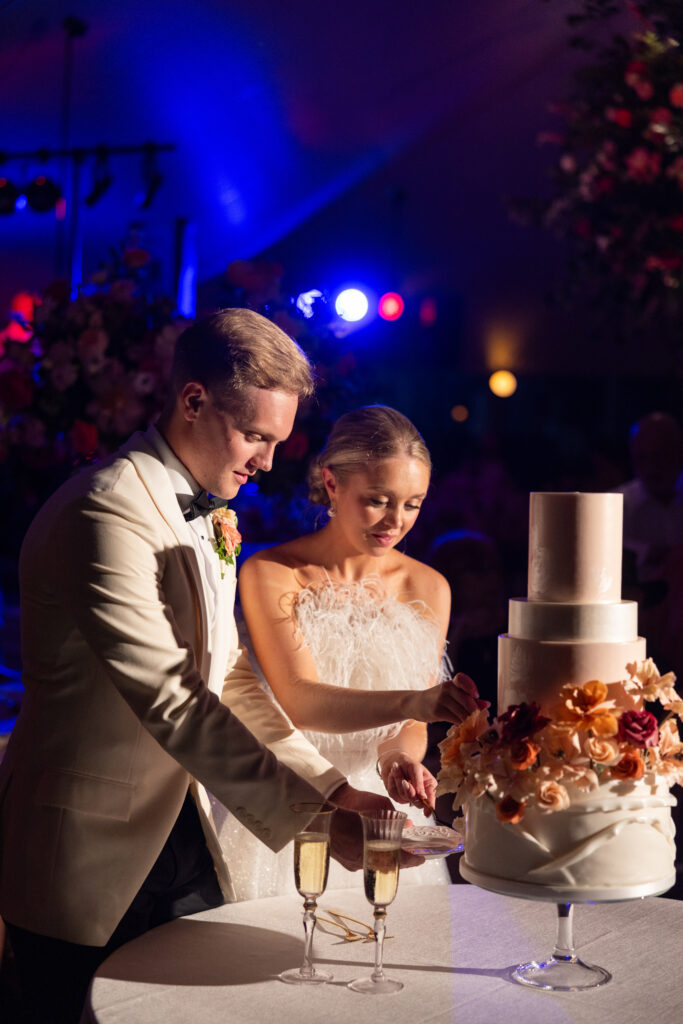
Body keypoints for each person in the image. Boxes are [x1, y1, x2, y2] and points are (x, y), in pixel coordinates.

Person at [0, 311, 475, 1024]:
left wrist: (333, 790)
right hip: (88, 857)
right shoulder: (105, 510)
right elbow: (172, 699)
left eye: (278, 442)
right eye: (256, 435)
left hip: (190, 842)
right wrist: (314, 819)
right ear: (192, 402)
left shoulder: (213, 513)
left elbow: (228, 677)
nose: (266, 462)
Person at [217, 405, 488, 898]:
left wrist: (397, 762)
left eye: (413, 504)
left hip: (382, 806)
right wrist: (412, 701)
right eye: (378, 499)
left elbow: (409, 729)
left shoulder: (429, 586)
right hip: (298, 793)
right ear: (332, 484)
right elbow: (301, 701)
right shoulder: (272, 572)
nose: (395, 521)